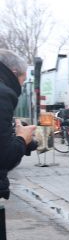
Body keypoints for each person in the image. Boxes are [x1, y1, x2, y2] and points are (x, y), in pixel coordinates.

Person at [0, 49, 36, 200]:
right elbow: (5, 158)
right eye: (23, 79)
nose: (22, 85)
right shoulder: (3, 94)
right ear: (14, 73)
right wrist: (22, 138)